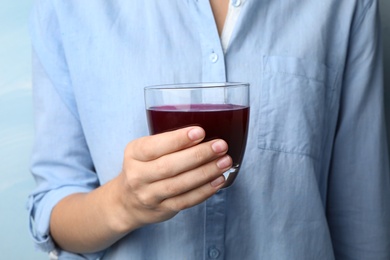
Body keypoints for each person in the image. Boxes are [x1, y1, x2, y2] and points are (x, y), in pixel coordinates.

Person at [28, 0, 390, 259]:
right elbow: (54, 203)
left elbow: (362, 219)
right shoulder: (65, 7)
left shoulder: (346, 6)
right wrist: (123, 203)